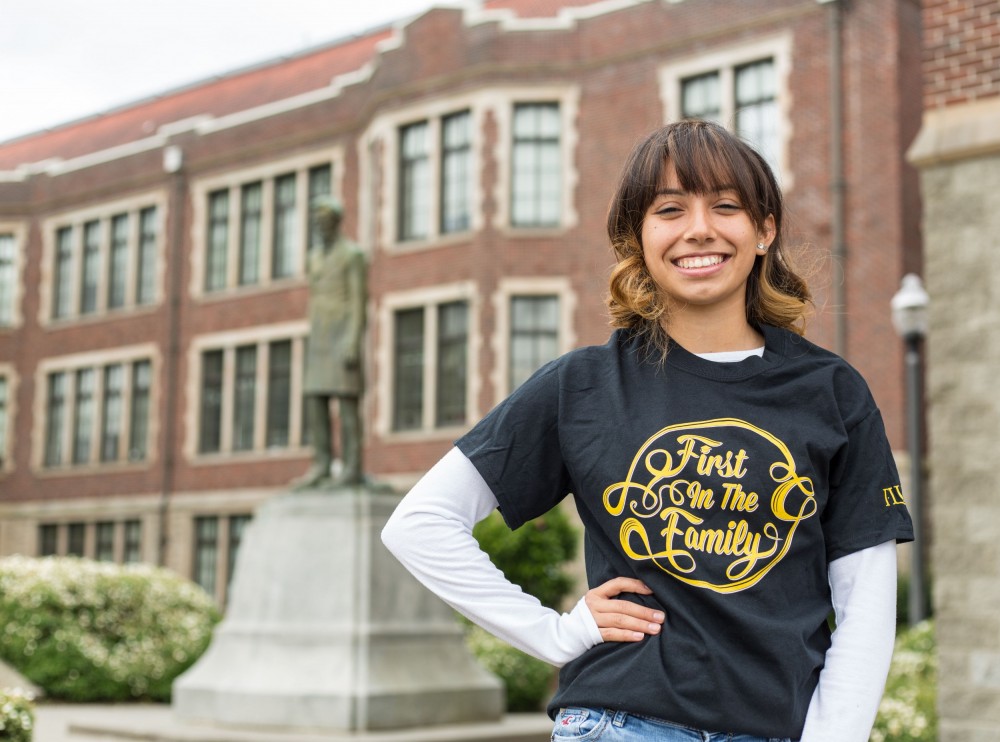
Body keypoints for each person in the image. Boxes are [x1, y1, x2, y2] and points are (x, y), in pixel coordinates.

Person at [381, 120, 913, 742]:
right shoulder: (582, 384)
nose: (699, 229)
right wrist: (556, 633)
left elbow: (865, 602)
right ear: (639, 236)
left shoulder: (831, 391)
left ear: (765, 230)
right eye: (669, 209)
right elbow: (419, 526)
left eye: (726, 206)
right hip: (622, 724)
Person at [293, 196, 367, 489]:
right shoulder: (313, 257)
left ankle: (352, 467)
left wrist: (352, 340)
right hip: (319, 338)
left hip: (342, 336)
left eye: (324, 221)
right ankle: (321, 464)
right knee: (315, 402)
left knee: (348, 407)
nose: (320, 226)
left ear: (335, 222)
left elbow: (359, 299)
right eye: (317, 222)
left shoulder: (352, 255)